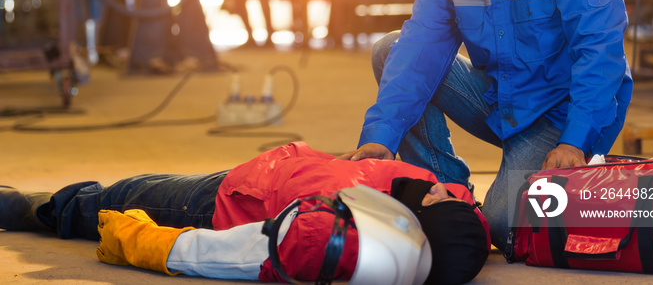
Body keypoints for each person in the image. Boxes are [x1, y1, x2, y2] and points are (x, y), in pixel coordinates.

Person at [339, 0, 633, 252]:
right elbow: (421, 47)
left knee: (503, 230)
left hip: (562, 115)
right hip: (501, 99)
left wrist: (575, 141)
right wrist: (381, 135)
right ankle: (448, 194)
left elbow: (600, 52)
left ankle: (505, 201)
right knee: (391, 48)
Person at [0, 141, 489, 284]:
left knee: (109, 200)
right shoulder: (447, 208)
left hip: (218, 204)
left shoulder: (348, 216)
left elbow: (291, 243)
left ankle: (21, 209)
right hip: (247, 180)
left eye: (443, 199)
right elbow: (467, 215)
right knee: (126, 188)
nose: (448, 191)